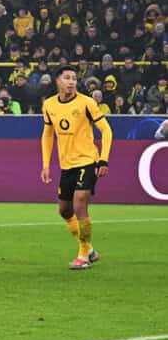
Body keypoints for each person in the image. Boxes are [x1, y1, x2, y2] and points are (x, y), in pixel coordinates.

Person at [39, 66, 112, 270]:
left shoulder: (86, 103)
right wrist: (46, 164)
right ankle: (89, 249)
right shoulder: (49, 105)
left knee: (80, 203)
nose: (71, 81)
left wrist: (103, 159)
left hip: (87, 161)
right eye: (67, 78)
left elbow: (106, 131)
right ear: (58, 81)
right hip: (66, 165)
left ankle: (83, 255)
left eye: (73, 78)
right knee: (64, 210)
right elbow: (47, 134)